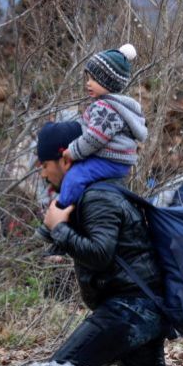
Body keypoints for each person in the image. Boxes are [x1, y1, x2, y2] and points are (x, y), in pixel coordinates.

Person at [36, 121, 170, 366]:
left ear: (65, 159)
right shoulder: (94, 192)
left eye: (44, 163)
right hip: (143, 309)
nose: (42, 171)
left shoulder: (98, 196)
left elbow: (100, 253)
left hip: (130, 309)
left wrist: (60, 229)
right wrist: (56, 226)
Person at [35, 44, 147, 242]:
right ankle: (67, 227)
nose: (88, 83)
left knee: (74, 178)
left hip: (110, 161)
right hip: (117, 162)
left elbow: (94, 138)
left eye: (94, 79)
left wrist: (72, 151)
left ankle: (56, 221)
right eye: (88, 78)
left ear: (109, 81)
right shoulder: (114, 106)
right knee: (79, 181)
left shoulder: (106, 108)